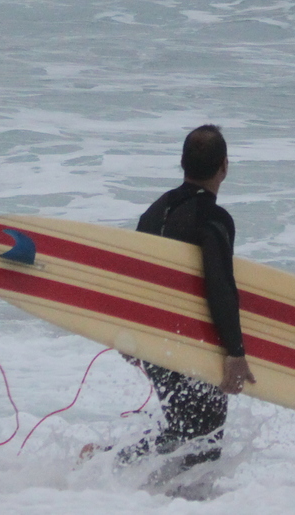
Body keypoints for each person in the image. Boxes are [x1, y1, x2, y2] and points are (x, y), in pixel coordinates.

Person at [118, 124, 255, 478]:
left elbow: (136, 274)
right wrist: (235, 352)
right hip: (191, 342)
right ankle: (184, 498)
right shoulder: (213, 219)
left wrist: (128, 333)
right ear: (225, 166)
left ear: (183, 163)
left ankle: (120, 470)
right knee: (206, 435)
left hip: (156, 344)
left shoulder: (154, 211)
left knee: (184, 428)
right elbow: (220, 285)